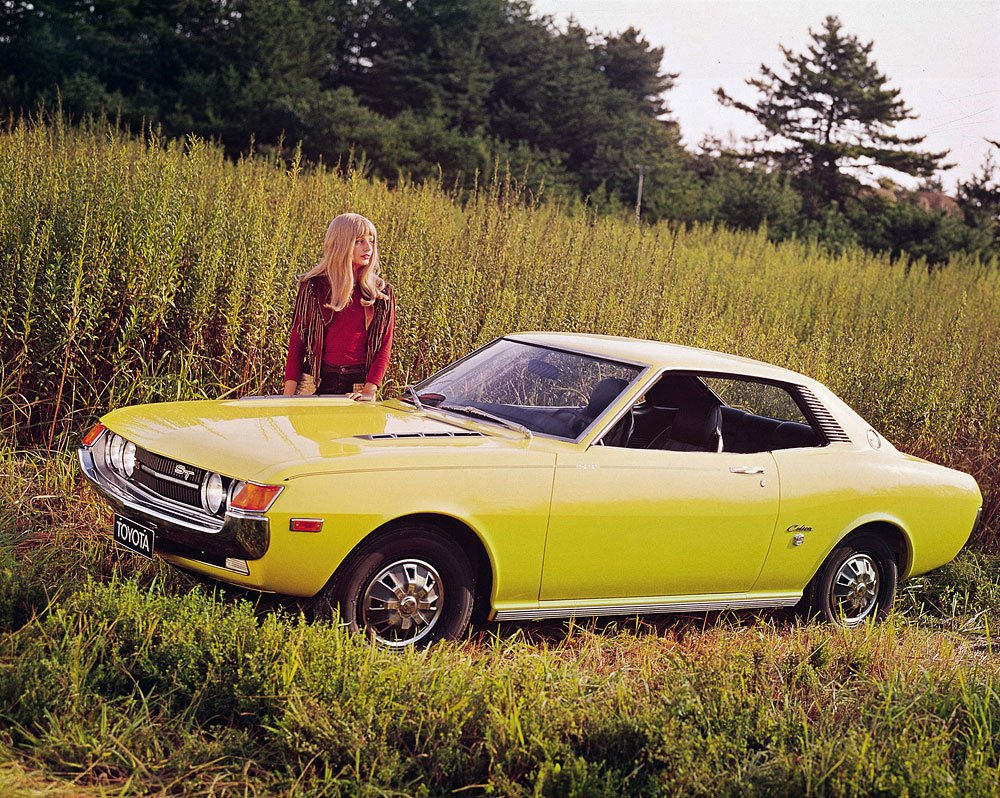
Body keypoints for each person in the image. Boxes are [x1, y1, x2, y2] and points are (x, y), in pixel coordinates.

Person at [283, 213, 395, 400]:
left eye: (372, 241)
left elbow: (385, 345)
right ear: (341, 243)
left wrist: (369, 391)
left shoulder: (381, 293)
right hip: (314, 383)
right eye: (359, 241)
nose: (368, 247)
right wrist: (287, 396)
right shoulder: (313, 286)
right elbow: (297, 341)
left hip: (358, 388)